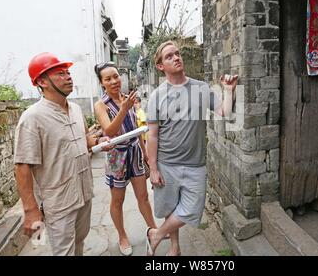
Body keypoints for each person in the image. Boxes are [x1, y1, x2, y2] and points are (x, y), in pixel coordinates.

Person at [145, 41, 238, 256]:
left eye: (177, 54)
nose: (176, 57)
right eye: (169, 56)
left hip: (196, 164)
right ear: (160, 66)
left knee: (192, 209)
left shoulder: (201, 88)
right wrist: (153, 169)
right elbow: (152, 135)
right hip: (166, 163)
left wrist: (229, 91)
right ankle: (175, 248)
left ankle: (156, 235)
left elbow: (224, 112)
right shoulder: (156, 96)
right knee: (170, 208)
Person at [14, 52, 110, 256]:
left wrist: (98, 142)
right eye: (60, 73)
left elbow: (84, 140)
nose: (68, 77)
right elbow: (22, 166)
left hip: (84, 193)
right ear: (41, 81)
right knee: (63, 252)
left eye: (68, 72)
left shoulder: (75, 109)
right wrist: (30, 210)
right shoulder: (32, 118)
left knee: (79, 244)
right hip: (59, 202)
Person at [93, 62, 157, 256]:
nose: (114, 81)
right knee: (117, 200)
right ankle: (122, 236)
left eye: (115, 76)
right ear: (102, 83)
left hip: (135, 152)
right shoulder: (100, 105)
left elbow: (136, 127)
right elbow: (109, 131)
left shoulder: (126, 98)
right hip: (116, 157)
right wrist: (123, 108)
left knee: (143, 196)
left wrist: (145, 154)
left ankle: (154, 231)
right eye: (108, 79)